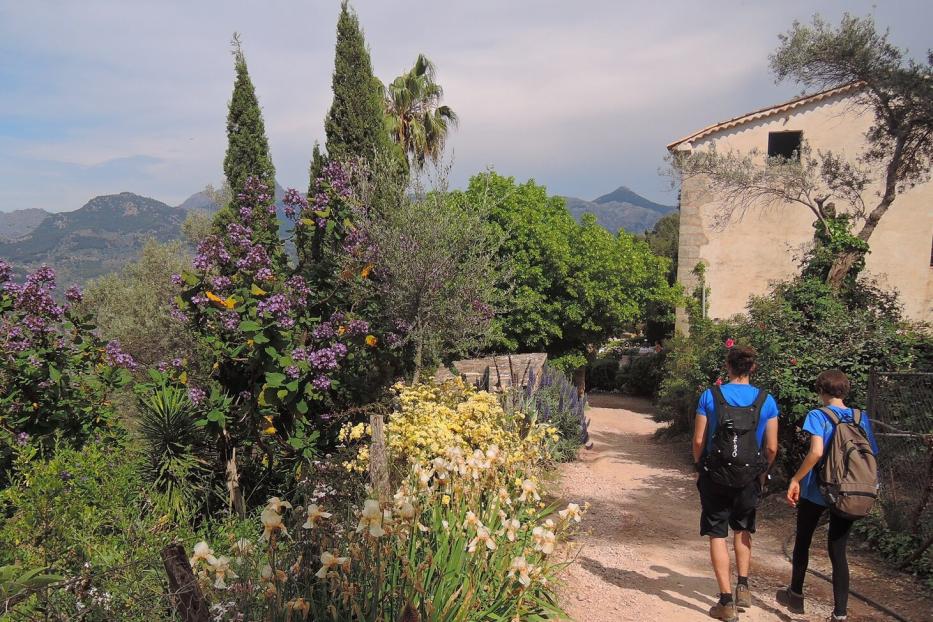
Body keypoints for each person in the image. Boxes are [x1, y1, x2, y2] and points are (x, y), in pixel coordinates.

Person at [777, 369, 879, 621]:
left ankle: (796, 595)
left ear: (821, 390)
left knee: (803, 540)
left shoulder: (818, 415)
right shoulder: (860, 417)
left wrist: (795, 478)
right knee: (838, 551)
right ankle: (840, 614)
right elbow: (871, 452)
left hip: (817, 489)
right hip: (847, 490)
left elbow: (816, 452)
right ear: (844, 391)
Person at [693, 345, 779, 622]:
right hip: (749, 476)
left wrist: (700, 466)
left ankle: (726, 602)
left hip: (715, 474)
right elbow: (772, 447)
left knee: (717, 533)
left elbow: (698, 440)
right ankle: (743, 586)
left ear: (727, 366)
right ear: (752, 368)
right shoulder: (767, 400)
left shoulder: (710, 395)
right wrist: (762, 474)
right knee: (743, 530)